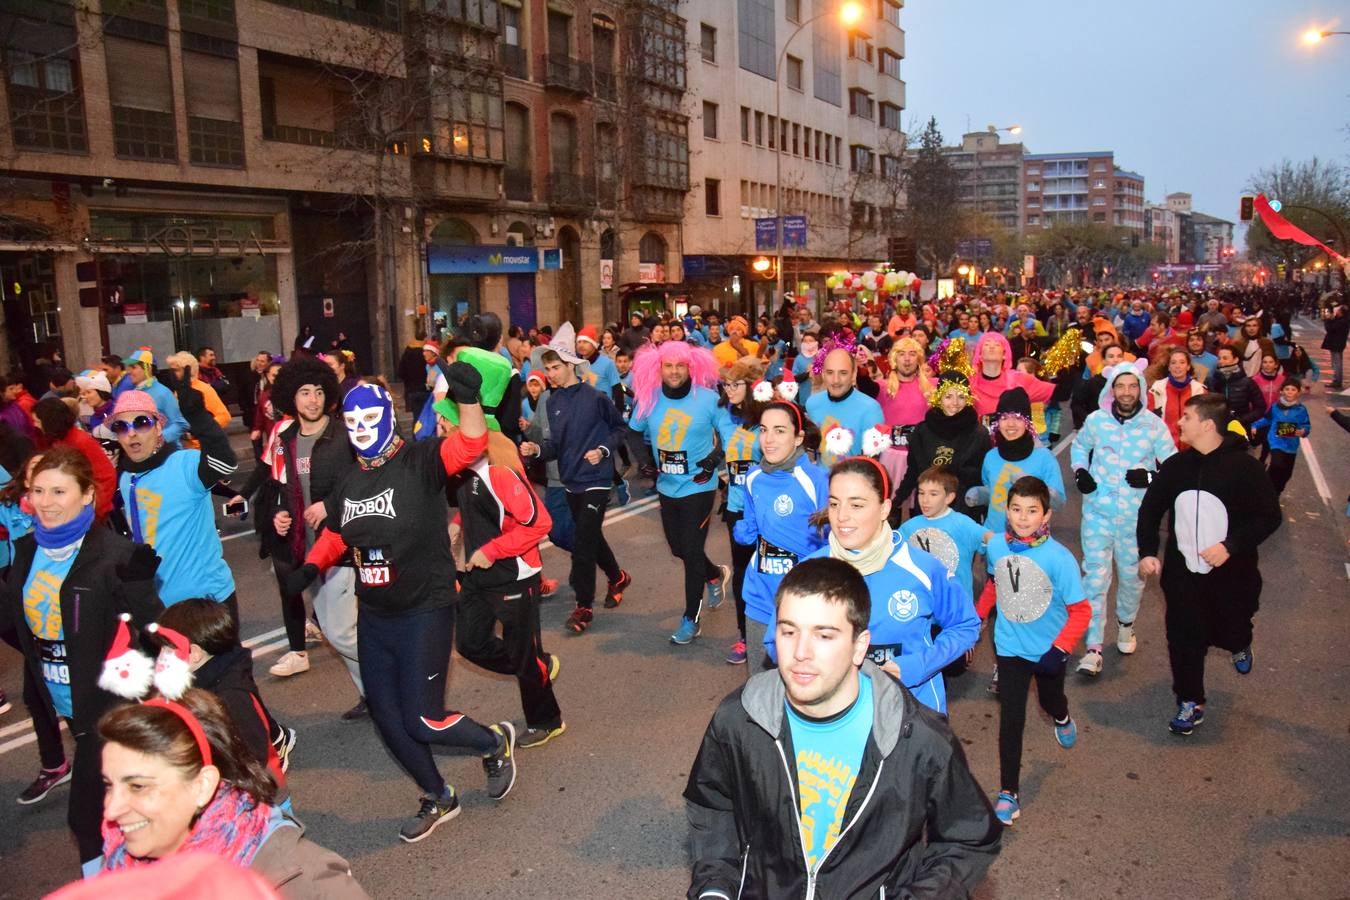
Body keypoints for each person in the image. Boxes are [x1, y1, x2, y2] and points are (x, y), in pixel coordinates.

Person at [282, 366, 519, 842]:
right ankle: (438, 794)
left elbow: (470, 444)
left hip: (425, 608)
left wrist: (469, 400)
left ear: (389, 415)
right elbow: (337, 532)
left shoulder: (420, 461)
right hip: (376, 614)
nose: (362, 427)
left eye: (371, 415)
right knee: (389, 721)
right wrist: (311, 567)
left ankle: (493, 742)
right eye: (352, 420)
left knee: (422, 717)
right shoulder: (350, 480)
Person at [683, 557, 1000, 898]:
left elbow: (968, 839)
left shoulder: (917, 739)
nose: (800, 652)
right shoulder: (741, 717)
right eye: (789, 631)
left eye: (824, 635)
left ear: (860, 645)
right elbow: (713, 804)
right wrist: (715, 888)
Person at [3, 446, 163, 874]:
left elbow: (153, 634)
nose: (46, 502)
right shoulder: (24, 554)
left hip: (111, 708)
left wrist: (142, 592)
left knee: (86, 818)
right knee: (127, 812)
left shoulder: (114, 555)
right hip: (66, 704)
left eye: (58, 491)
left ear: (88, 494)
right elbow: (18, 626)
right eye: (38, 491)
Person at [96, 690, 369, 897]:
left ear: (202, 786)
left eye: (138, 786)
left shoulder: (297, 879)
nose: (111, 809)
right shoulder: (118, 861)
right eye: (109, 785)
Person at [435, 360, 564, 750]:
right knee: (470, 644)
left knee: (524, 655)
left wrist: (492, 549)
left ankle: (547, 719)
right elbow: (479, 505)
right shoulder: (460, 466)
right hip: (478, 575)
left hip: (513, 574)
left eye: (444, 422)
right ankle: (536, 667)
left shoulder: (499, 468)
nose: (439, 428)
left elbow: (540, 523)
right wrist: (458, 525)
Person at [1137, 394, 1282, 736]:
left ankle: (1240, 642)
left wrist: (1231, 546)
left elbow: (1269, 516)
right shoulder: (1175, 467)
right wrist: (1147, 551)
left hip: (1234, 576)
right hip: (1182, 575)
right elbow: (1150, 511)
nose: (1179, 422)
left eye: (1186, 417)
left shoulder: (1245, 468)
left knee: (1230, 629)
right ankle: (1190, 701)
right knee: (1184, 636)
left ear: (1206, 425)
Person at [238, 358, 363, 709]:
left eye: (319, 392)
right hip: (304, 550)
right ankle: (372, 694)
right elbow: (283, 488)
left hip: (340, 545)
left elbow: (364, 482)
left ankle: (386, 681)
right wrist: (279, 515)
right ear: (291, 398)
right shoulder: (287, 438)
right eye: (305, 393)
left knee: (339, 633)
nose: (313, 400)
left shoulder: (343, 434)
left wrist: (330, 505)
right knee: (338, 631)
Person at [975, 475, 1089, 825]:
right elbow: (996, 584)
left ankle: (1062, 716)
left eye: (1031, 511)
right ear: (1007, 511)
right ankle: (1009, 792)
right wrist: (976, 618)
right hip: (1009, 647)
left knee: (1049, 700)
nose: (1023, 517)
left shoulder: (1059, 559)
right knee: (1011, 718)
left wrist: (1061, 647)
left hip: (1048, 650)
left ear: (1046, 516)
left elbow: (1081, 610)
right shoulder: (998, 547)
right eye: (1016, 509)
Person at [1069, 362, 1176, 677]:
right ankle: (1093, 648)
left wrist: (1150, 476)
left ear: (1141, 389)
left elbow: (1172, 466)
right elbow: (1079, 447)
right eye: (1121, 386)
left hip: (1136, 520)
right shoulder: (1096, 421)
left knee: (1132, 580)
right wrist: (1081, 473)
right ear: (1111, 389)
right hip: (1098, 514)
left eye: (1133, 386)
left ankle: (1126, 625)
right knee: (1095, 579)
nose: (1127, 392)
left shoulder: (1153, 426)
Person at [520, 347, 632, 634]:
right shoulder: (553, 401)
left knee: (583, 542)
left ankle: (584, 607)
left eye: (555, 367)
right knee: (591, 535)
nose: (550, 374)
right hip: (571, 481)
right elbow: (555, 447)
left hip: (596, 478)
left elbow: (620, 429)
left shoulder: (596, 397)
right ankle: (618, 577)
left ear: (570, 365)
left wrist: (604, 450)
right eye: (547, 369)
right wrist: (535, 449)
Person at [627, 339, 730, 645]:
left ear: (690, 366)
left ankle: (691, 619)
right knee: (679, 549)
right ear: (659, 368)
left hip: (699, 486)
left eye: (680, 366)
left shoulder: (709, 399)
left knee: (692, 551)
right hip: (667, 486)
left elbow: (728, 436)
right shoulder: (650, 397)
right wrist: (644, 463)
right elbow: (633, 432)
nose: (673, 372)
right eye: (668, 366)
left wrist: (712, 461)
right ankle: (713, 575)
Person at [110, 372, 239, 616]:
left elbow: (225, 464)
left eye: (141, 423)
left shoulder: (184, 463)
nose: (132, 433)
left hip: (204, 602)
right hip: (157, 605)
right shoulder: (127, 478)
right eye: (121, 426)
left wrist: (200, 418)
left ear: (158, 426)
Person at [154, 599, 294, 782]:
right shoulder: (199, 681)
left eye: (166, 649)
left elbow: (255, 755)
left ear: (194, 653)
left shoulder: (230, 697)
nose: (159, 656)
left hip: (251, 795)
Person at [732, 400, 827, 664]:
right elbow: (749, 530)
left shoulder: (816, 480)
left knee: (797, 682)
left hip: (801, 599)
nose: (769, 440)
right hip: (760, 594)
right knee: (759, 682)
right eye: (763, 430)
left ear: (798, 438)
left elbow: (832, 542)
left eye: (779, 431)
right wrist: (742, 532)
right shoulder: (753, 477)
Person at [712, 358, 765, 664]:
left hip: (767, 507)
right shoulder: (721, 414)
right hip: (736, 506)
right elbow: (720, 447)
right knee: (743, 571)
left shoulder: (764, 415)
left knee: (772, 568)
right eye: (726, 384)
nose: (730, 390)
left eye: (736, 384)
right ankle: (745, 635)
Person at [890, 371, 989, 522]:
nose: (955, 403)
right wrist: (895, 502)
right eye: (948, 396)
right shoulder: (922, 431)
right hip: (926, 511)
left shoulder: (979, 434)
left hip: (963, 513)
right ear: (939, 398)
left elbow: (983, 478)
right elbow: (913, 472)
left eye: (961, 397)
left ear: (968, 399)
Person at [969, 388, 1064, 538]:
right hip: (995, 541)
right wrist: (980, 494)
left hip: (1030, 543)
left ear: (1027, 422)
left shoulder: (1044, 457)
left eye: (1018, 418)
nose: (1010, 424)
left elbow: (1058, 503)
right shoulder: (991, 456)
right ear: (997, 421)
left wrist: (1032, 486)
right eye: (1004, 417)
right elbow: (993, 492)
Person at [898, 466, 990, 603]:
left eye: (933, 494)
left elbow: (990, 538)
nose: (925, 500)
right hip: (922, 603)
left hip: (956, 606)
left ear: (949, 497)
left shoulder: (962, 524)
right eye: (921, 493)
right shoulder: (908, 527)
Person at [31, 397, 117, 522]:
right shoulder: (58, 439)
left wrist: (93, 509)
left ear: (49, 421)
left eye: (37, 421)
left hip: (89, 514)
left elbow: (107, 476)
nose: (35, 425)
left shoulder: (80, 441)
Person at [805, 340, 885, 467]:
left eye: (843, 373)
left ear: (853, 374)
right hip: (819, 484)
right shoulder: (812, 404)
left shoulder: (870, 409)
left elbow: (872, 464)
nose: (836, 380)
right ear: (823, 374)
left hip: (853, 483)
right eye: (830, 373)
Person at [969, 332, 1055, 422]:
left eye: (997, 344)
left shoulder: (1020, 379)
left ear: (1004, 354)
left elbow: (1062, 393)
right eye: (986, 344)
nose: (991, 347)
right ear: (979, 354)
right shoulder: (968, 382)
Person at [1250, 377, 1311, 497]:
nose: (1289, 392)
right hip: (1276, 442)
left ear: (1298, 392)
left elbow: (1306, 425)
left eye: (1293, 389)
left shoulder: (1301, 409)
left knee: (1286, 473)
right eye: (1287, 389)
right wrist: (1255, 425)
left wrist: (1303, 431)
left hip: (1291, 445)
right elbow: (1267, 419)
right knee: (1277, 464)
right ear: (1282, 391)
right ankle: (1266, 487)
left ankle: (1277, 491)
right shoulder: (1275, 407)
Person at [121, 348, 190, 446]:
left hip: (167, 454)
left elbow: (181, 424)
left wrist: (158, 439)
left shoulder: (163, 392)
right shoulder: (133, 393)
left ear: (147, 368)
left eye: (133, 367)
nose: (129, 371)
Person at [1148, 348, 1206, 449]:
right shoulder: (1156, 390)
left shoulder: (1200, 391)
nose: (1177, 366)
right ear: (1169, 367)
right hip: (1164, 450)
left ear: (1188, 367)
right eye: (1173, 363)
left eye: (1182, 362)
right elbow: (1148, 422)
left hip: (1193, 450)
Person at [1204, 344, 1267, 432]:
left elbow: (1260, 408)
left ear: (1236, 360)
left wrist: (1241, 420)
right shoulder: (1211, 381)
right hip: (1217, 429)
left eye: (1225, 358)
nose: (1221, 361)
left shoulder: (1247, 382)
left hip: (1240, 428)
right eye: (1219, 358)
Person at [166, 351, 232, 431]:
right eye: (172, 370)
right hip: (187, 442)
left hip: (205, 442)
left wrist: (201, 430)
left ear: (188, 370)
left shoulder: (203, 389)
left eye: (176, 370)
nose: (173, 374)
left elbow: (224, 416)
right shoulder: (178, 390)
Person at [1322, 299, 1347, 390]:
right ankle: (1336, 380)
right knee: (1336, 362)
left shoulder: (1342, 321)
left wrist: (1327, 320)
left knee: (1337, 363)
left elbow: (1330, 329)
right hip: (1336, 344)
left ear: (1341, 312)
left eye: (1338, 310)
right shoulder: (1340, 320)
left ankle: (1337, 381)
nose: (1336, 311)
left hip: (1337, 344)